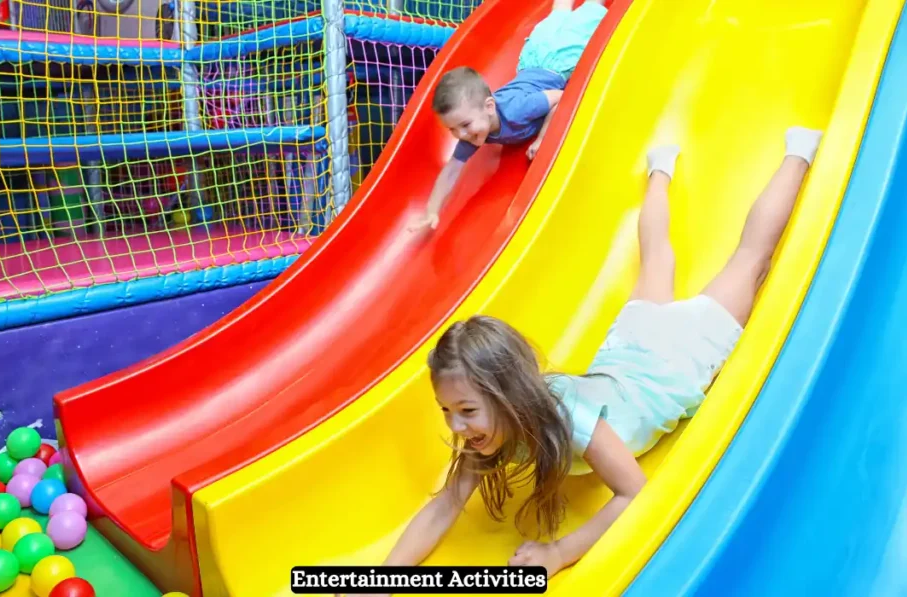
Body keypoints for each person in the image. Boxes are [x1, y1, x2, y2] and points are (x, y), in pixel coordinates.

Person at [345, 126, 824, 594]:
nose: (457, 425)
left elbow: (634, 491)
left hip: (672, 360)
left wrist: (560, 552)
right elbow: (445, 504)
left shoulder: (569, 418)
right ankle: (660, 169)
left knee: (750, 260)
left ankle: (799, 150)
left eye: (466, 410)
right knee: (655, 258)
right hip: (628, 351)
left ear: (510, 394)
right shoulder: (486, 435)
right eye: (448, 410)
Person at [410, 0, 609, 232]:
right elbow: (452, 168)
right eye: (453, 130)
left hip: (558, 58)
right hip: (534, 56)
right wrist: (431, 211)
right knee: (558, 16)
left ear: (489, 106)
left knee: (590, 12)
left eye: (464, 125)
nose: (461, 135)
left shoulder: (517, 110)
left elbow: (559, 96)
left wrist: (542, 137)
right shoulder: (476, 129)